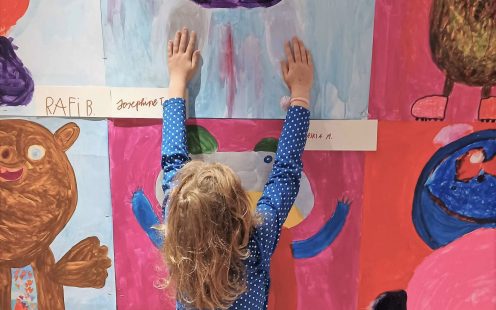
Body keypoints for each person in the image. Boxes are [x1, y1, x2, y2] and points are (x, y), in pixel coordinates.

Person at [160, 27, 313, 310]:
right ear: (240, 210)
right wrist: (301, 92)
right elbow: (285, 174)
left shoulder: (178, 234)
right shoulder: (254, 244)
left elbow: (172, 163)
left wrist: (176, 79)